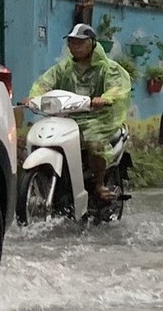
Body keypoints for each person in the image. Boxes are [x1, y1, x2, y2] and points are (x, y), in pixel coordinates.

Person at [28, 22, 133, 213]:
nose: (74, 46)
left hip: (100, 117)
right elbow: (45, 82)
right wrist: (34, 96)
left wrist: (106, 98)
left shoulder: (108, 68)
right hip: (70, 117)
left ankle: (99, 184)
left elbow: (118, 87)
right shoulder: (64, 67)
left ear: (91, 43)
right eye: (71, 42)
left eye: (79, 43)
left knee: (93, 140)